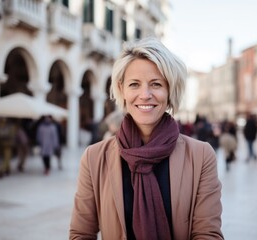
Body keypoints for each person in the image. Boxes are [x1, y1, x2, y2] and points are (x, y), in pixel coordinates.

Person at [70, 38, 223, 239]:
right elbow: (81, 233)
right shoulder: (94, 157)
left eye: (156, 84)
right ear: (122, 89)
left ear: (170, 91)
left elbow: (207, 234)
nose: (145, 95)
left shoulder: (200, 156)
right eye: (134, 84)